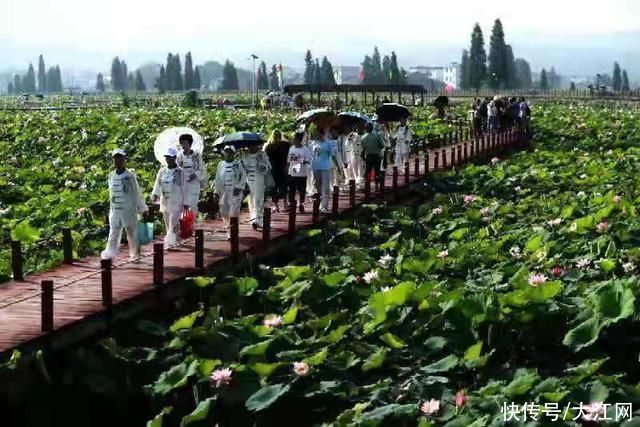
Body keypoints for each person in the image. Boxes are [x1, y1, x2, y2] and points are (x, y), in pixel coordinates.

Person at [101, 149, 148, 261]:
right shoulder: (111, 176)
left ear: (124, 160)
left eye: (120, 158)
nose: (118, 161)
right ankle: (110, 253)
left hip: (128, 208)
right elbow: (111, 193)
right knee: (113, 232)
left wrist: (142, 208)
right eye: (115, 159)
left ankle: (135, 254)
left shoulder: (130, 176)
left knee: (131, 232)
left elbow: (137, 193)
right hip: (115, 209)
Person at [151, 147, 188, 249]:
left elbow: (185, 187)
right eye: (167, 157)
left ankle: (170, 242)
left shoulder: (180, 172)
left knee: (173, 221)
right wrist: (155, 194)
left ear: (175, 158)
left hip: (176, 201)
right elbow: (157, 184)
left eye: (171, 157)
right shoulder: (162, 171)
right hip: (165, 200)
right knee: (168, 223)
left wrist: (186, 202)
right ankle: (173, 239)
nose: (168, 159)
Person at [214, 146, 246, 239]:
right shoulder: (221, 164)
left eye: (231, 152)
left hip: (235, 192)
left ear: (234, 153)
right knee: (224, 212)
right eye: (227, 151)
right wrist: (216, 192)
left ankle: (232, 232)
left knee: (233, 213)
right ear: (224, 153)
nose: (228, 153)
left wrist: (239, 187)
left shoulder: (238, 164)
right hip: (224, 191)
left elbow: (243, 177)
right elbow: (218, 179)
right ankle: (229, 227)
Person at [240, 143, 272, 230]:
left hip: (259, 179)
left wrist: (263, 167)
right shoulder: (244, 155)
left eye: (254, 145)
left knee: (258, 200)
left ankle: (259, 220)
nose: (252, 146)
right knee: (251, 200)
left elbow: (268, 166)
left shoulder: (262, 154)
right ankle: (253, 218)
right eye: (250, 145)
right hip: (249, 180)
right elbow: (241, 169)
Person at [177, 134, 206, 218]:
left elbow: (202, 170)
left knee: (192, 206)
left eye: (185, 143)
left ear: (190, 144)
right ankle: (184, 227)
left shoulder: (197, 156)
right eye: (182, 143)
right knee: (182, 207)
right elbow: (176, 169)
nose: (183, 145)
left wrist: (195, 174)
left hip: (193, 185)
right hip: (183, 185)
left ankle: (192, 225)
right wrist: (180, 166)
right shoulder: (179, 156)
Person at [311, 127, 338, 213]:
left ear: (322, 134)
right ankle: (318, 204)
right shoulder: (313, 143)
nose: (318, 135)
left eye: (319, 133)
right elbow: (310, 155)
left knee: (325, 187)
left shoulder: (328, 144)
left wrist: (338, 165)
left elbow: (333, 155)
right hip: (316, 167)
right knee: (317, 187)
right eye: (316, 133)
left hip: (325, 167)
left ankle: (324, 206)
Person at [264, 129, 290, 212]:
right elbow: (266, 158)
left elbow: (290, 154)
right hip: (273, 169)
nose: (277, 137)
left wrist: (288, 165)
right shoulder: (269, 146)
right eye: (275, 135)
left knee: (284, 187)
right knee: (274, 188)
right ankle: (276, 205)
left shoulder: (285, 145)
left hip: (283, 167)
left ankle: (286, 204)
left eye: (278, 135)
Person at [287, 132, 313, 213]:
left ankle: (301, 204)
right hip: (292, 173)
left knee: (302, 190)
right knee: (292, 190)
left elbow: (309, 160)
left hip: (302, 173)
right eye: (294, 139)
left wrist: (301, 160)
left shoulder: (305, 149)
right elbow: (289, 159)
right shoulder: (291, 148)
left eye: (296, 140)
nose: (295, 141)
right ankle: (292, 205)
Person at [361, 122, 385, 188]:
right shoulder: (377, 136)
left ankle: (367, 186)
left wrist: (363, 156)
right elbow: (382, 146)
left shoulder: (363, 137)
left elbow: (362, 148)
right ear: (372, 128)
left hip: (368, 156)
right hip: (377, 156)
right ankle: (377, 185)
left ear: (365, 129)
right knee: (377, 171)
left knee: (368, 171)